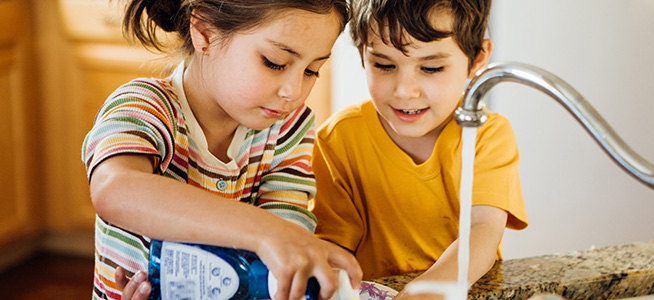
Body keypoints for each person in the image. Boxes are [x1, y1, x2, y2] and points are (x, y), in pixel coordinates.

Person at [80, 1, 361, 300]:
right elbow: (115, 189)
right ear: (205, 32)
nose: (294, 90)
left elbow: (282, 259)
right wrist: (266, 231)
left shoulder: (289, 128)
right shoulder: (145, 108)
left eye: (311, 70)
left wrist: (285, 246)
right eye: (275, 62)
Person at [310, 0, 528, 298]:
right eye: (384, 65)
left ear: (477, 59)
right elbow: (333, 249)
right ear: (362, 55)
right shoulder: (339, 139)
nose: (404, 90)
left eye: (431, 67)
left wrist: (425, 293)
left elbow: (483, 231)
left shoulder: (486, 137)